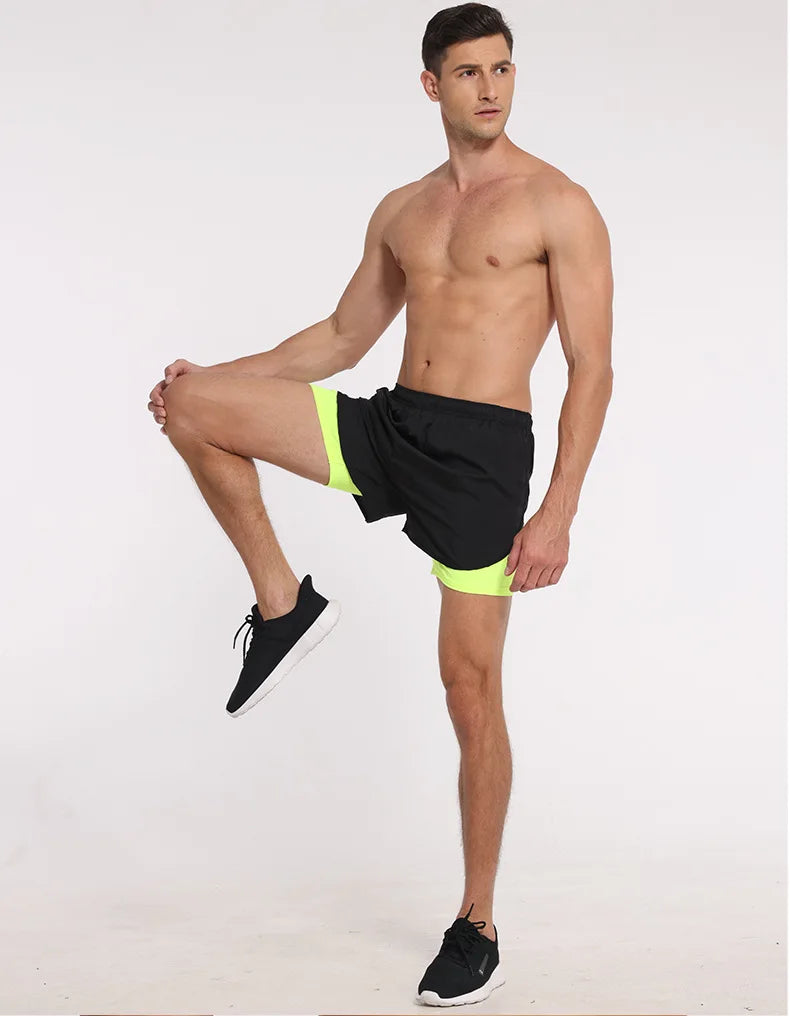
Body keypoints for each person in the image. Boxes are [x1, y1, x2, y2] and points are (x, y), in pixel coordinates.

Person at [147, 2, 613, 1006]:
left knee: (468, 688)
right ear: (431, 85)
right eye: (469, 72)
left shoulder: (558, 204)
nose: (490, 88)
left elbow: (592, 366)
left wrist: (558, 510)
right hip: (395, 422)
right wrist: (218, 374)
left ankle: (476, 920)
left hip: (483, 458)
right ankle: (284, 605)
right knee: (190, 407)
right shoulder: (405, 209)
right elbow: (339, 339)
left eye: (502, 69)